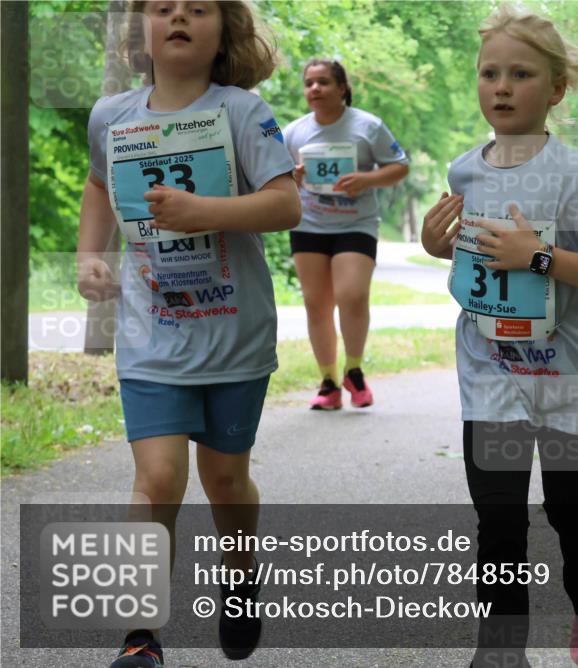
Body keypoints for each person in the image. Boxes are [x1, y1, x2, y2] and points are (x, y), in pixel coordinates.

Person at [420, 5, 578, 666]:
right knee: (498, 524)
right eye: (489, 72)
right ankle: (499, 653)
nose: (501, 86)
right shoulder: (465, 171)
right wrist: (439, 247)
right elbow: (475, 260)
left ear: (554, 89)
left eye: (520, 74)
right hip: (489, 378)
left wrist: (538, 256)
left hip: (565, 381)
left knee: (569, 510)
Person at [77, 2, 299, 666]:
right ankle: (140, 635)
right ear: (139, 30)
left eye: (197, 8)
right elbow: (98, 186)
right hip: (151, 333)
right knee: (157, 478)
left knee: (226, 479)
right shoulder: (110, 116)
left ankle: (239, 580)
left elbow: (286, 203)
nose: (178, 18)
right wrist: (93, 255)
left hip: (234, 333)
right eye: (162, 8)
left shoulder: (242, 112)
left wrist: (207, 210)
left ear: (223, 30)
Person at [284, 58, 409, 410]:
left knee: (351, 295)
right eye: (309, 83)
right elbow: (276, 178)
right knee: (315, 303)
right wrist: (291, 178)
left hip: (356, 223)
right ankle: (328, 383)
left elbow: (400, 166)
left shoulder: (368, 127)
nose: (315, 89)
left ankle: (354, 370)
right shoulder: (294, 132)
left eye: (323, 82)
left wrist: (366, 179)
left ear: (342, 88)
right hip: (309, 223)